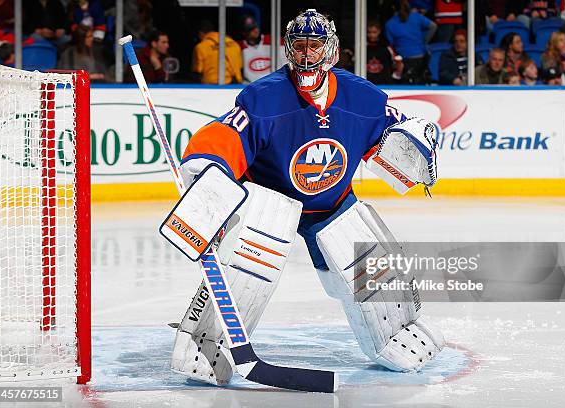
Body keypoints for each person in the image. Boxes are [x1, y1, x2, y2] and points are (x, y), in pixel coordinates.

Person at [170, 9, 444, 387]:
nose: (306, 55)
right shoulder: (263, 98)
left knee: (371, 265)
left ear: (330, 50)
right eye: (299, 46)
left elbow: (392, 129)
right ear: (287, 49)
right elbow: (226, 134)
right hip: (269, 200)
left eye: (315, 46)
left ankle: (392, 331)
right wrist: (208, 165)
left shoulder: (361, 97)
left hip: (332, 204)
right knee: (250, 270)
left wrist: (412, 137)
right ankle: (207, 341)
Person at [385, 0, 437, 84]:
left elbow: (391, 44)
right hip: (420, 57)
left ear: (393, 8)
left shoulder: (389, 24)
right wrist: (424, 41)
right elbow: (433, 26)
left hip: (403, 60)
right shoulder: (416, 16)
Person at [237, 14, 286, 83]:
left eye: (255, 27)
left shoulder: (274, 40)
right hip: (251, 86)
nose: (255, 30)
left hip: (275, 84)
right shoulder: (239, 47)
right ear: (243, 33)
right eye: (250, 29)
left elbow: (288, 61)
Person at [192, 19, 242, 84]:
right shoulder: (234, 43)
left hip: (212, 87)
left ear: (200, 33)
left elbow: (198, 71)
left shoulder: (201, 46)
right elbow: (240, 66)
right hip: (235, 86)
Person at [366, 19, 403, 84]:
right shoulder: (361, 47)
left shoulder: (386, 46)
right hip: (366, 83)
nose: (371, 35)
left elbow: (398, 63)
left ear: (379, 31)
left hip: (384, 84)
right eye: (369, 32)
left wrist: (395, 76)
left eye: (374, 32)